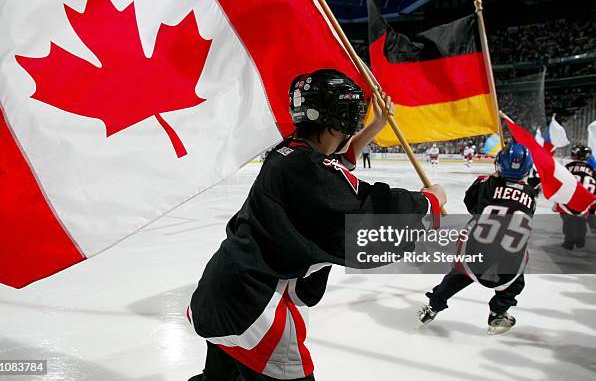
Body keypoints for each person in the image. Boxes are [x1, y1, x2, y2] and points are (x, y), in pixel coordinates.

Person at [187, 69, 446, 380]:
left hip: (223, 290)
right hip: (255, 307)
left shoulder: (289, 155)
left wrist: (375, 126)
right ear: (338, 117)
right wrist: (429, 203)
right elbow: (362, 215)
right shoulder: (308, 170)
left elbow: (329, 172)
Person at [418, 143, 536, 335]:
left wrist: (491, 184)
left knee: (459, 274)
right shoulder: (531, 194)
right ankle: (498, 313)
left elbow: (470, 205)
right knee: (516, 281)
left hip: (475, 251)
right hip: (508, 262)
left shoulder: (485, 183)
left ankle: (433, 306)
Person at [557, 145, 595, 250]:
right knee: (581, 220)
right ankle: (580, 239)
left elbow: (560, 183)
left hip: (569, 200)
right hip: (584, 202)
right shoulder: (592, 170)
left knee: (568, 220)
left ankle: (568, 241)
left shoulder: (568, 168)